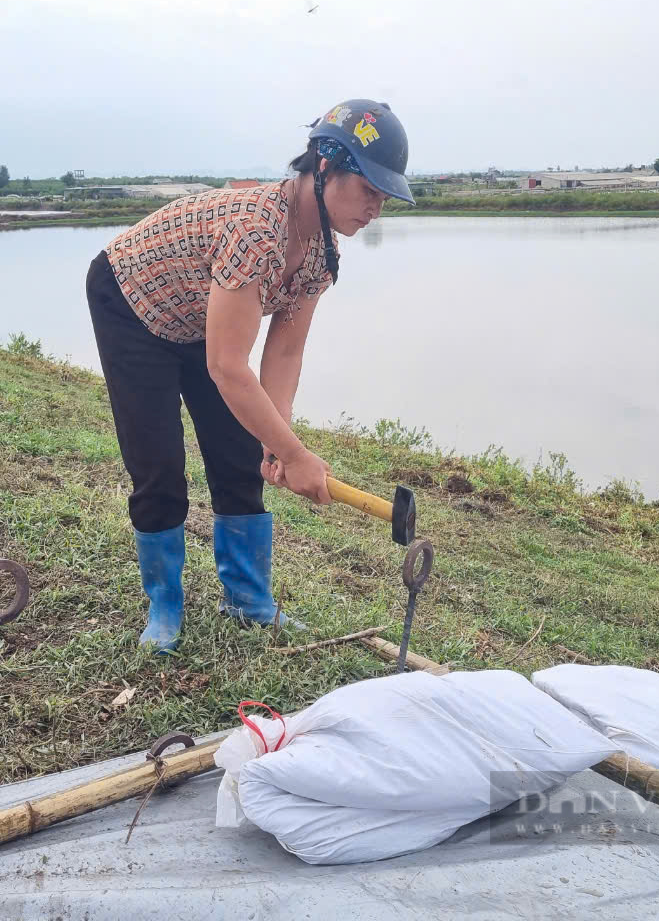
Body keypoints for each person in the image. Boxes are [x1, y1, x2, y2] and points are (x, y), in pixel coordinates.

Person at [85, 100, 414, 653]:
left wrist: (278, 441)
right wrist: (298, 454)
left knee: (240, 453)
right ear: (325, 167)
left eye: (385, 197)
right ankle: (164, 604)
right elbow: (228, 367)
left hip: (201, 318)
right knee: (158, 460)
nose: (375, 208)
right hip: (133, 303)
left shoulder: (321, 254)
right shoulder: (255, 231)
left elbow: (284, 356)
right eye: (368, 190)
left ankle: (248, 599)